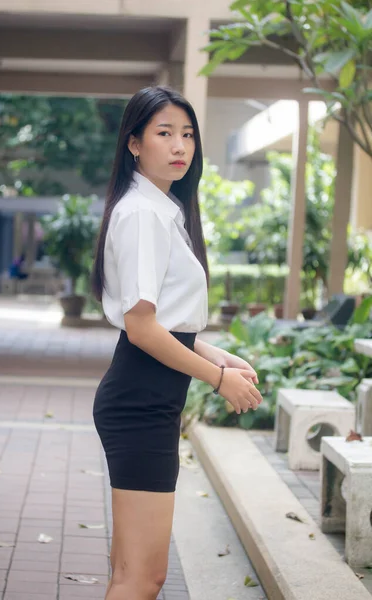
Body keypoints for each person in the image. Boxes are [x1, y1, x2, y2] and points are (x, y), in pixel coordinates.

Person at [91, 86, 262, 600]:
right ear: (134, 144)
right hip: (141, 401)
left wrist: (215, 353)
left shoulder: (161, 209)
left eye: (187, 134)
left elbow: (162, 318)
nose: (179, 145)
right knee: (143, 579)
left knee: (131, 575)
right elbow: (140, 327)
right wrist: (217, 380)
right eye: (164, 133)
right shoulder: (143, 213)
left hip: (147, 397)